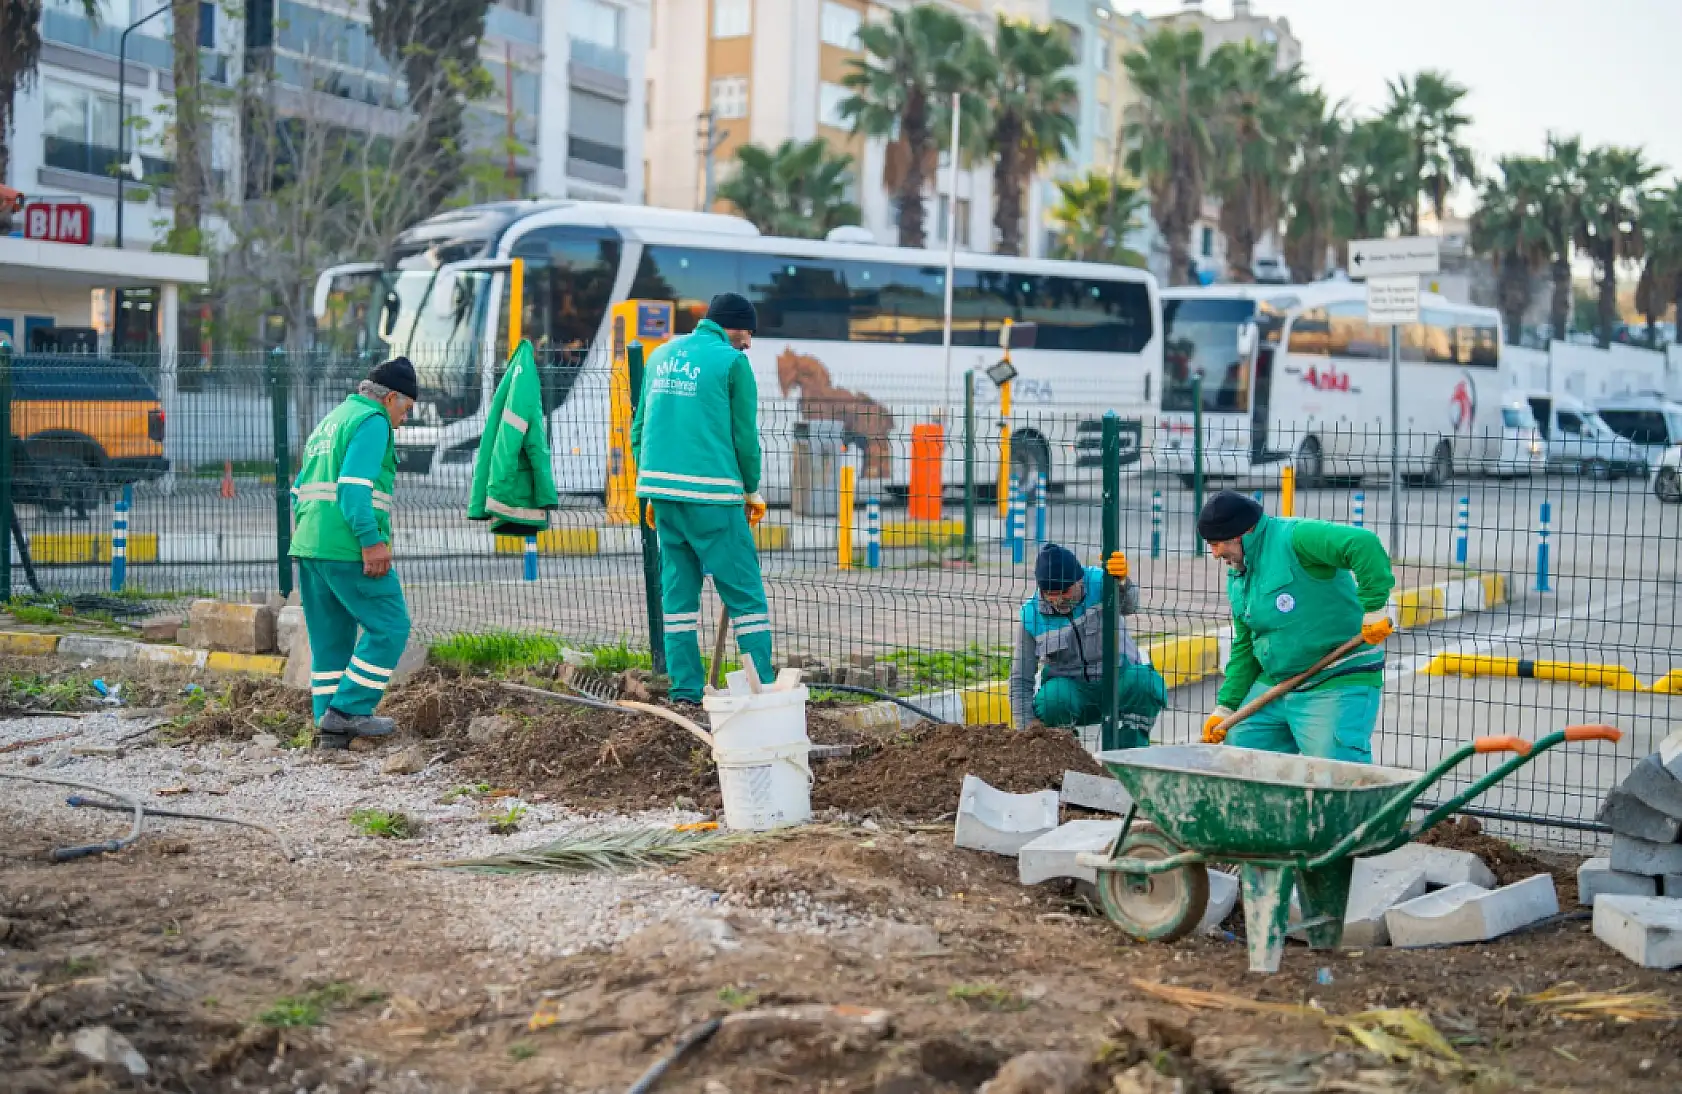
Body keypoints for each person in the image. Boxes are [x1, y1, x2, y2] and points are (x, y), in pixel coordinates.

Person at [630, 293, 773, 702]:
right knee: (745, 594)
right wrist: (751, 488)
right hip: (713, 496)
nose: (749, 343)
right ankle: (762, 689)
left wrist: (654, 487)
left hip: (663, 497)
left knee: (678, 599)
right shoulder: (732, 363)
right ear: (734, 326)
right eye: (748, 333)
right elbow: (745, 438)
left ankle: (686, 691)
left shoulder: (659, 357)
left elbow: (639, 429)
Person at [1197, 491, 1395, 761]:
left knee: (1334, 767)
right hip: (1278, 681)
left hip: (1336, 676)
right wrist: (1226, 706)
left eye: (1216, 544)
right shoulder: (1240, 574)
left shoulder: (1295, 538)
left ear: (1243, 533)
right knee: (1241, 748)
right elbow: (1246, 645)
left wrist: (1374, 608)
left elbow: (1363, 544)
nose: (1215, 554)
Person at [290, 359, 416, 749]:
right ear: (390, 398)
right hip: (348, 547)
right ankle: (349, 711)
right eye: (406, 409)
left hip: (311, 545)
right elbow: (353, 487)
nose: (404, 421)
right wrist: (370, 541)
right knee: (390, 626)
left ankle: (329, 728)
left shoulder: (332, 420)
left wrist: (314, 534)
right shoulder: (373, 421)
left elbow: (297, 489)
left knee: (331, 640)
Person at [1008, 543, 1166, 747]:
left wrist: (1123, 582)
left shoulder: (1101, 582)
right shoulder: (1031, 615)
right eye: (1050, 593)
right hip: (1073, 692)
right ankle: (1068, 755)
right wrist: (1027, 732)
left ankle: (1128, 754)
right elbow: (1021, 678)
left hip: (1118, 680)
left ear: (1079, 580)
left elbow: (1130, 606)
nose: (1057, 600)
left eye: (1064, 591)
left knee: (1144, 682)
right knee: (1052, 700)